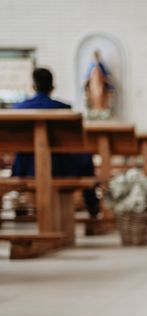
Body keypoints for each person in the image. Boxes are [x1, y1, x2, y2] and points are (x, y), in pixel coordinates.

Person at [12, 67, 100, 216]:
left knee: (24, 155)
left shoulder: (18, 109)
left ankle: (21, 208)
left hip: (26, 168)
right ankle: (92, 206)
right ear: (53, 87)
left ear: (33, 86)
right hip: (59, 168)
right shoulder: (64, 109)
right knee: (85, 158)